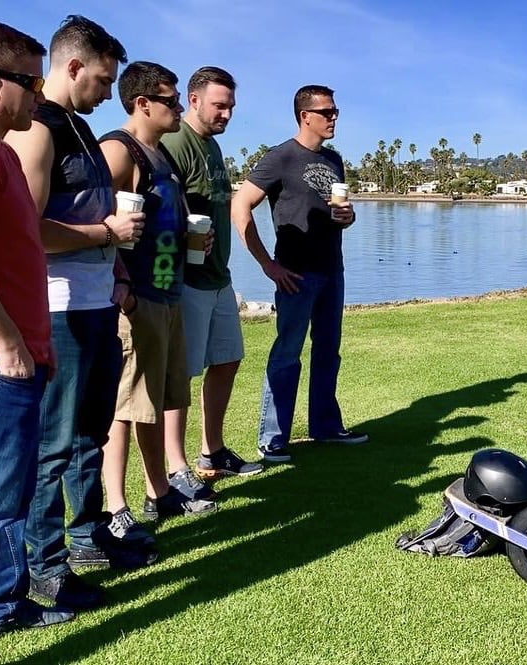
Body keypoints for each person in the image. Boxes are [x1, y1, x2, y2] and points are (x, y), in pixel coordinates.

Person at [4, 15, 156, 615]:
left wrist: (116, 267)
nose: (105, 90)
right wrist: (104, 230)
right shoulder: (39, 129)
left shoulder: (83, 129)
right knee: (56, 443)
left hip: (96, 303)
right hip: (58, 307)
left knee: (92, 432)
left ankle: (87, 539)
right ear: (72, 67)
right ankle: (44, 568)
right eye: (101, 78)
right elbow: (27, 230)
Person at [0, 20, 74, 665]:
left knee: (7, 500)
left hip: (21, 353)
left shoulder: (6, 153)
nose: (39, 97)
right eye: (30, 82)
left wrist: (36, 342)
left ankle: (7, 604)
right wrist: (9, 342)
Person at [100, 61, 216, 523]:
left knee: (158, 401)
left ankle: (159, 492)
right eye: (169, 100)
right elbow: (100, 220)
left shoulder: (160, 155)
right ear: (142, 103)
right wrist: (120, 291)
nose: (176, 108)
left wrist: (194, 240)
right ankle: (116, 508)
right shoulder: (119, 150)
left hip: (168, 295)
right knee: (124, 407)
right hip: (137, 298)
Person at [232, 84, 366, 463]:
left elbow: (340, 216)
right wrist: (267, 264)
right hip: (295, 274)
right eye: (326, 112)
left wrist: (348, 216)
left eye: (335, 111)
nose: (334, 117)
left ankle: (325, 427)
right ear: (305, 116)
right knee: (288, 353)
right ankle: (272, 440)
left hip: (331, 271)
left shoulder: (334, 161)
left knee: (328, 351)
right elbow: (240, 206)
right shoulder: (280, 158)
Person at [161, 67, 262, 481]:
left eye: (231, 107)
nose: (226, 114)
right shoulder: (176, 143)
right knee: (182, 373)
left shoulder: (212, 148)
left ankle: (212, 451)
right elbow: (163, 208)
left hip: (219, 277)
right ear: (194, 99)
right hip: (188, 280)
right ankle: (176, 466)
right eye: (220, 105)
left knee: (228, 359)